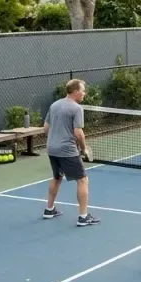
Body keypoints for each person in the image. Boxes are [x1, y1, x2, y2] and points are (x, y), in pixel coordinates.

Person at [42, 79, 101, 226]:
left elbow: (46, 128)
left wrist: (56, 138)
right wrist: (83, 149)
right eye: (82, 90)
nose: (84, 93)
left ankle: (49, 209)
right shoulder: (76, 108)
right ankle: (83, 217)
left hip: (51, 148)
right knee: (82, 180)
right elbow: (78, 133)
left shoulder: (54, 105)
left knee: (57, 177)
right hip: (67, 150)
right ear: (75, 92)